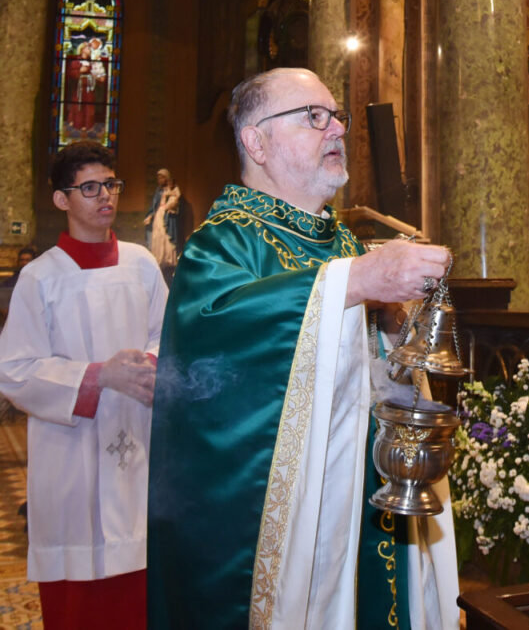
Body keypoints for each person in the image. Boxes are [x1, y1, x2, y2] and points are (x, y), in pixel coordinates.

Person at [147, 67, 459, 629]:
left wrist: (390, 325)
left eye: (336, 116)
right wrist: (355, 284)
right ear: (255, 141)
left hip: (364, 496)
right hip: (281, 521)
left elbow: (371, 370)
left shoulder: (343, 240)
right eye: (313, 117)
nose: (336, 129)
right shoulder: (221, 244)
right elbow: (216, 351)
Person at [0, 140, 167, 629]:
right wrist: (98, 377)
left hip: (138, 438)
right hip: (71, 455)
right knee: (81, 601)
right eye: (89, 187)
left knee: (140, 588)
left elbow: (166, 333)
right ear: (62, 199)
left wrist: (151, 363)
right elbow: (14, 369)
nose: (105, 197)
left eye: (110, 184)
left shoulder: (141, 264)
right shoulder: (40, 278)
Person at [144, 168, 180, 277]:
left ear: (166, 178)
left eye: (161, 177)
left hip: (168, 216)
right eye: (158, 178)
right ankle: (159, 259)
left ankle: (168, 260)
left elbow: (176, 201)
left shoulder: (174, 188)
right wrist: (150, 216)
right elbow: (155, 206)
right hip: (159, 214)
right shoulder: (158, 191)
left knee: (166, 236)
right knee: (157, 236)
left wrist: (169, 206)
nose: (159, 180)